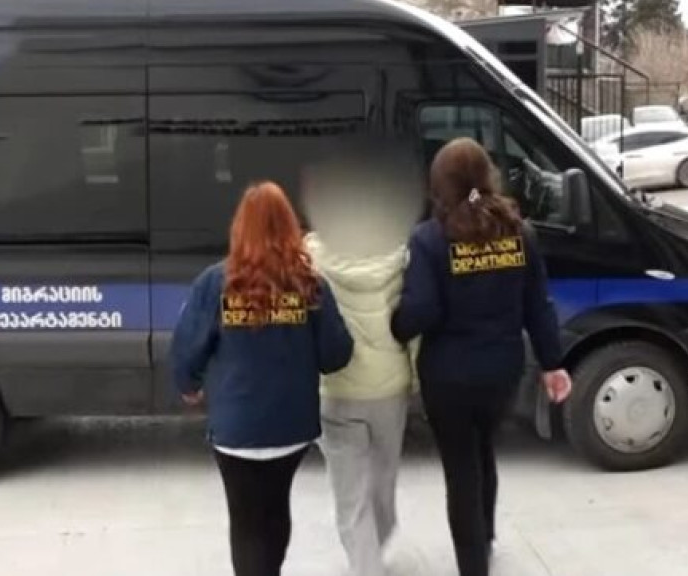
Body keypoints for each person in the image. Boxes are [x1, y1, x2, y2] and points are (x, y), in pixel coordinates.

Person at [390, 137, 572, 576]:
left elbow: (422, 310)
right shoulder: (519, 233)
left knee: (461, 470)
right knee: (484, 449)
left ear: (439, 183)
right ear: (487, 176)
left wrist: (396, 324)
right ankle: (485, 536)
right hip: (502, 372)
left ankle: (473, 565)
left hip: (448, 378)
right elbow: (538, 306)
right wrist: (553, 363)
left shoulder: (429, 239)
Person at [172, 181, 354, 576]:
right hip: (291, 427)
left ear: (239, 228)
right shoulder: (310, 284)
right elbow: (336, 355)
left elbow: (186, 348)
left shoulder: (215, 282)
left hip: (235, 428)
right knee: (275, 508)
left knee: (244, 520)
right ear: (290, 227)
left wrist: (189, 386)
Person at [301, 146, 421, 576]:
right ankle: (375, 550)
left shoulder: (310, 255)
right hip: (390, 388)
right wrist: (416, 375)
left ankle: (364, 563)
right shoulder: (401, 254)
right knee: (383, 482)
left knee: (350, 495)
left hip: (335, 390)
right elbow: (414, 322)